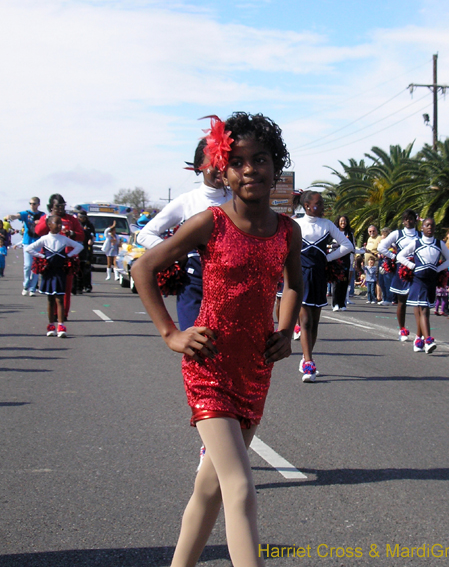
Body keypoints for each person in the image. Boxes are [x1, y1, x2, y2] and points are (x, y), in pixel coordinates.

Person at [131, 113, 302, 567]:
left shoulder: (288, 231)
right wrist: (171, 333)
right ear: (223, 172)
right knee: (240, 487)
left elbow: (295, 286)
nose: (250, 170)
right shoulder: (210, 223)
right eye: (238, 162)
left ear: (276, 165)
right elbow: (142, 268)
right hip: (210, 365)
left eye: (260, 160)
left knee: (208, 488)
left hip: (255, 368)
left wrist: (285, 331)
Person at [137, 139, 233, 330]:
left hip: (232, 286)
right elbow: (145, 234)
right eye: (213, 163)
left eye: (225, 162)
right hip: (194, 286)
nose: (219, 168)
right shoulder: (187, 201)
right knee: (196, 348)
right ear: (200, 165)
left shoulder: (237, 200)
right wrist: (176, 253)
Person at [294, 191, 353, 381]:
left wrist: (326, 258)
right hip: (301, 275)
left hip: (319, 275)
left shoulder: (327, 225)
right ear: (307, 206)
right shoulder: (295, 223)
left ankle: (305, 357)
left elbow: (347, 245)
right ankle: (309, 363)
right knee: (305, 321)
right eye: (318, 204)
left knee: (315, 321)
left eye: (323, 204)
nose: (322, 207)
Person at [396, 217, 449, 353]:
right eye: (427, 225)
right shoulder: (416, 243)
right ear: (422, 227)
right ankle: (428, 340)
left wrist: (437, 269)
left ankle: (418, 339)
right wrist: (412, 266)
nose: (430, 228)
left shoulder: (439, 244)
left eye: (432, 226)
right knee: (424, 310)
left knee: (421, 310)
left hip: (431, 281)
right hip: (418, 280)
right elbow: (400, 256)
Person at [25, 215, 84, 338]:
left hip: (60, 272)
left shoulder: (64, 239)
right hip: (49, 272)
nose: (59, 226)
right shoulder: (45, 239)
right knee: (50, 300)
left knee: (60, 299)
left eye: (60, 224)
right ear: (49, 224)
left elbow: (79, 246)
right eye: (56, 223)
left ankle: (61, 326)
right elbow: (29, 249)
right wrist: (42, 257)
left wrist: (69, 255)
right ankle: (51, 325)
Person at [34, 194, 85, 319]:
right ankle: (53, 315)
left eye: (62, 206)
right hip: (49, 260)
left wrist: (71, 233)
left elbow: (81, 235)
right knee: (51, 290)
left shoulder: (71, 219)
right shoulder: (46, 218)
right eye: (57, 206)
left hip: (66, 259)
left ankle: (63, 315)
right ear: (51, 207)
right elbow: (38, 231)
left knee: (65, 289)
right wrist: (49, 220)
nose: (60, 209)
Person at [378, 210, 420, 341]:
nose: (408, 221)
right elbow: (381, 247)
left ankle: (420, 333)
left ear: (415, 220)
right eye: (406, 219)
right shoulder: (397, 234)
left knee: (418, 302)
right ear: (403, 221)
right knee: (402, 301)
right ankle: (402, 329)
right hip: (402, 270)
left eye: (411, 218)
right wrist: (394, 257)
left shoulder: (420, 235)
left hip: (416, 270)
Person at [7, 197, 46, 296]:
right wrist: (11, 216)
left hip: (38, 242)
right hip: (28, 242)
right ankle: (26, 285)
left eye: (34, 203)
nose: (32, 205)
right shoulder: (26, 213)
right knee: (28, 266)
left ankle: (33, 288)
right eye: (31, 203)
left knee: (36, 266)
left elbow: (47, 222)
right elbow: (17, 215)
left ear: (38, 204)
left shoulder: (42, 215)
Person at [331, 215, 354, 312]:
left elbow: (352, 247)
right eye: (341, 221)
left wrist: (352, 261)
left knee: (344, 282)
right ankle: (335, 304)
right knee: (336, 282)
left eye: (344, 221)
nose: (343, 223)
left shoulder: (349, 233)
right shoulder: (333, 232)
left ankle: (342, 304)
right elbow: (329, 245)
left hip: (346, 260)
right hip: (336, 260)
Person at [75, 210, 96, 293]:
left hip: (87, 249)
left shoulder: (89, 225)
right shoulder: (76, 225)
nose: (81, 219)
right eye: (80, 217)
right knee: (78, 268)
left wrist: (91, 240)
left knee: (86, 268)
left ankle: (87, 286)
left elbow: (93, 235)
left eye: (83, 217)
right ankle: (78, 287)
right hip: (77, 248)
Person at [377, 227, 395, 305]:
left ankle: (389, 299)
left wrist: (385, 252)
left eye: (382, 235)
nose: (381, 236)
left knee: (387, 282)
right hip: (381, 263)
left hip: (388, 264)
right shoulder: (382, 242)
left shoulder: (391, 243)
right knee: (381, 282)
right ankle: (385, 298)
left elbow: (393, 251)